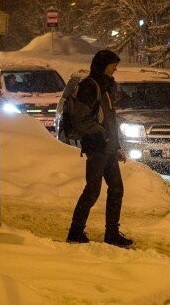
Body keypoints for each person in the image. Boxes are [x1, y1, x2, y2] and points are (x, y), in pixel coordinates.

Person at [66, 49, 133, 247]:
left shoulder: (108, 86)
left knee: (116, 188)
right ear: (103, 65)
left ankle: (111, 233)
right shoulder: (90, 86)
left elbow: (110, 119)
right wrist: (101, 134)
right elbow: (81, 118)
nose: (116, 67)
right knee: (93, 190)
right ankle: (75, 231)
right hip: (96, 147)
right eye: (113, 64)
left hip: (108, 148)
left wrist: (116, 144)